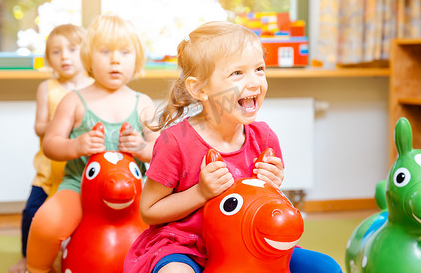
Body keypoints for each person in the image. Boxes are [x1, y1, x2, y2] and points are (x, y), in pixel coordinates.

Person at [124, 21, 342, 273]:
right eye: (237, 73)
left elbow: (264, 205)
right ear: (199, 88)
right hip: (186, 247)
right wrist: (200, 193)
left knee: (326, 267)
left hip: (249, 241)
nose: (254, 82)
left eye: (259, 69)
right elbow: (149, 211)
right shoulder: (176, 141)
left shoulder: (264, 137)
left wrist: (273, 186)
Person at [25, 14, 159, 273]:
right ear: (88, 58)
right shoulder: (74, 100)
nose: (115, 59)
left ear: (137, 59)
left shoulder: (143, 103)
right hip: (79, 186)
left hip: (131, 194)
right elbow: (51, 144)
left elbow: (160, 151)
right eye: (105, 51)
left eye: (125, 52)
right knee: (46, 221)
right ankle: (37, 268)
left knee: (166, 227)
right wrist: (76, 146)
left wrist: (142, 148)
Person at [8, 24, 93, 273]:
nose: (64, 56)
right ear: (48, 58)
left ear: (86, 53)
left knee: (82, 217)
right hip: (48, 169)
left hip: (80, 168)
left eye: (72, 49)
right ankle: (27, 258)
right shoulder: (47, 88)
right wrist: (62, 122)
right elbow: (39, 127)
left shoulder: (91, 87)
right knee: (32, 212)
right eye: (56, 52)